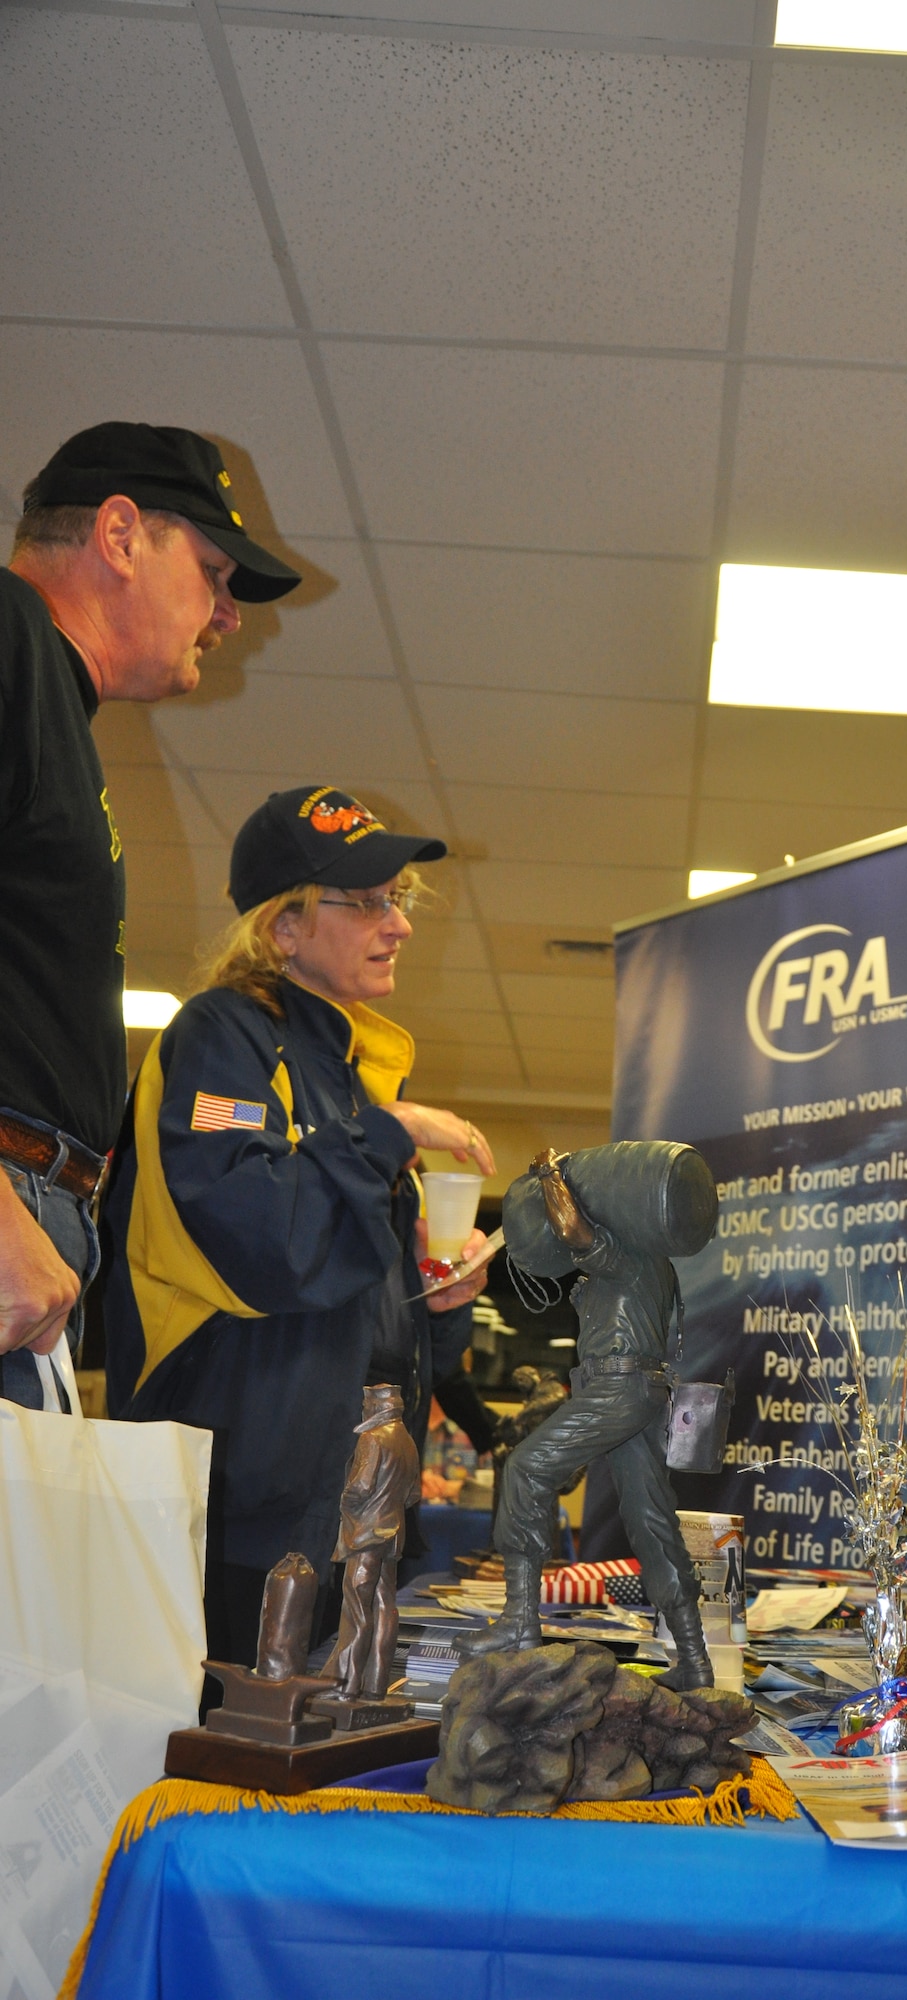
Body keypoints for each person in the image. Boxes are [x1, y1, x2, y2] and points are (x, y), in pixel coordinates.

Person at [101, 784, 495, 1675]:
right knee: (227, 1763)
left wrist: (439, 1296)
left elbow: (367, 1306)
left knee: (323, 1768)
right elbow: (267, 1245)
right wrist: (391, 1136)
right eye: (364, 902)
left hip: (350, 1504)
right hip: (242, 1501)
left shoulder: (356, 1078)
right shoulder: (221, 1038)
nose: (395, 925)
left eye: (397, 900)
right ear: (282, 928)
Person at [0, 421, 301, 1409]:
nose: (228, 614)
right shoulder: (9, 640)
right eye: (213, 570)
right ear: (121, 534)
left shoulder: (54, 702)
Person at [455, 1148, 711, 1690]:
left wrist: (549, 1172)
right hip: (637, 1390)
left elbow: (573, 1229)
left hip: (617, 1387)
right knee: (652, 1524)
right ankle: (694, 1659)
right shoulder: (657, 1263)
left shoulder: (627, 1254)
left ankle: (520, 1623)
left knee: (525, 1469)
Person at [322, 1383, 421, 1703]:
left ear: (376, 1409)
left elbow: (359, 1488)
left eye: (366, 1407)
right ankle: (376, 1684)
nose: (364, 1411)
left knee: (355, 1610)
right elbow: (413, 1495)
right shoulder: (407, 1440)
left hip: (366, 1534)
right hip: (393, 1537)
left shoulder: (372, 1438)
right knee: (385, 1608)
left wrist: (347, 1508)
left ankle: (343, 1685)